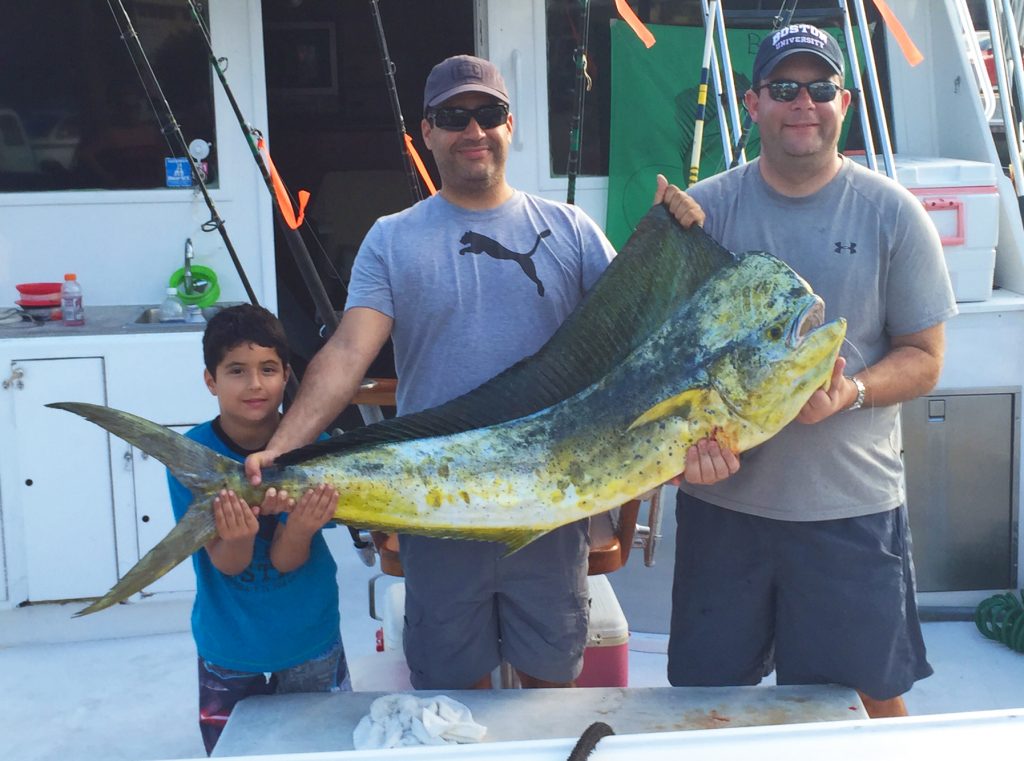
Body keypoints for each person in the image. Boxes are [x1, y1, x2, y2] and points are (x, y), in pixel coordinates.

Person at [245, 54, 721, 690]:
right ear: (428, 133)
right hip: (439, 503)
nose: (474, 131)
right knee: (451, 689)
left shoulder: (572, 230)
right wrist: (285, 446)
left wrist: (677, 240)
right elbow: (347, 354)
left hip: (553, 501)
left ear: (510, 123)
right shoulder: (392, 238)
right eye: (454, 117)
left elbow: (641, 333)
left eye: (488, 113)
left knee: (551, 681)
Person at [655, 24, 958, 719]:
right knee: (707, 706)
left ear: (843, 102)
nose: (803, 104)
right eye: (785, 88)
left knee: (868, 705)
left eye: (820, 88)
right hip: (723, 513)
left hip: (848, 512)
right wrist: (675, 459)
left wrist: (851, 392)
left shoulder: (894, 214)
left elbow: (925, 358)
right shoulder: (704, 212)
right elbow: (656, 363)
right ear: (753, 101)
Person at [168, 304, 349, 755]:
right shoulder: (192, 456)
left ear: (286, 375)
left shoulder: (315, 449)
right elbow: (228, 564)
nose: (254, 385)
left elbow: (289, 559)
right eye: (236, 371)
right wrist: (240, 534)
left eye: (268, 369)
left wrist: (301, 529)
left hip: (310, 639)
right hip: (230, 646)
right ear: (210, 380)